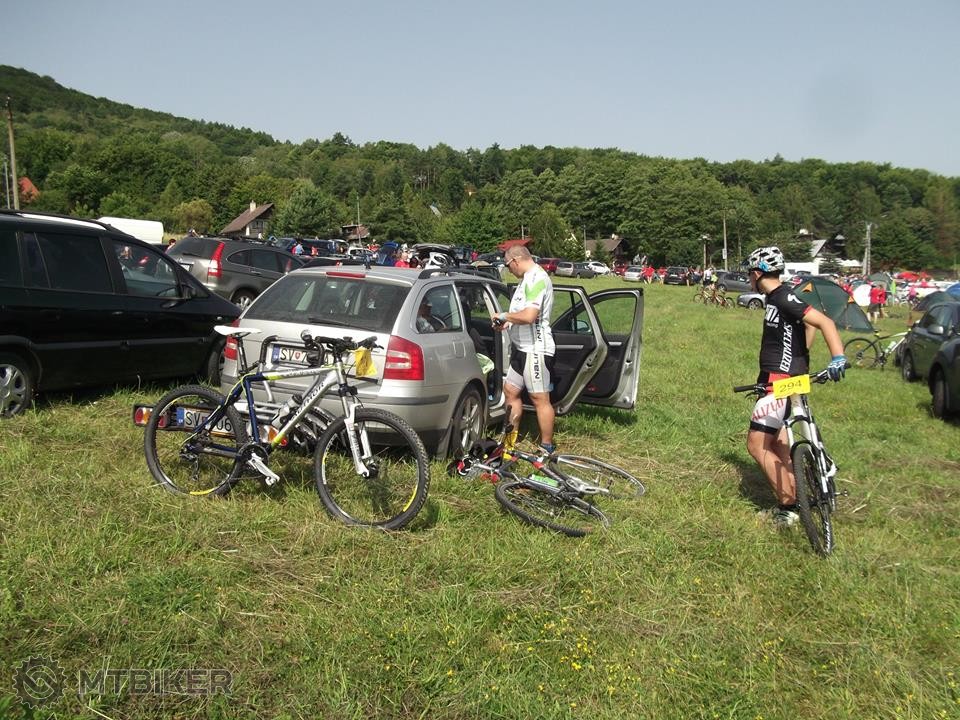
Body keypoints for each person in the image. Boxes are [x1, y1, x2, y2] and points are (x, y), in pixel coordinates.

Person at [742, 246, 846, 528]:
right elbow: (807, 326)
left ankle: (788, 507)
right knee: (779, 443)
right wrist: (801, 356)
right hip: (783, 378)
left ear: (757, 274)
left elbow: (823, 321)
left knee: (756, 445)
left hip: (780, 382)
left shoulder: (782, 296)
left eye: (749, 274)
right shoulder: (778, 297)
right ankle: (796, 499)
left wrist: (838, 357)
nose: (749, 279)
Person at [492, 246, 556, 455]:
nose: (509, 270)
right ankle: (510, 441)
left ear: (516, 260)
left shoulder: (537, 278)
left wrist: (504, 316)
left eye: (508, 265)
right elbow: (520, 314)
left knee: (539, 398)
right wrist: (507, 322)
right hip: (521, 348)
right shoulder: (525, 280)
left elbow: (529, 316)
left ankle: (546, 447)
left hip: (536, 348)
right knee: (510, 391)